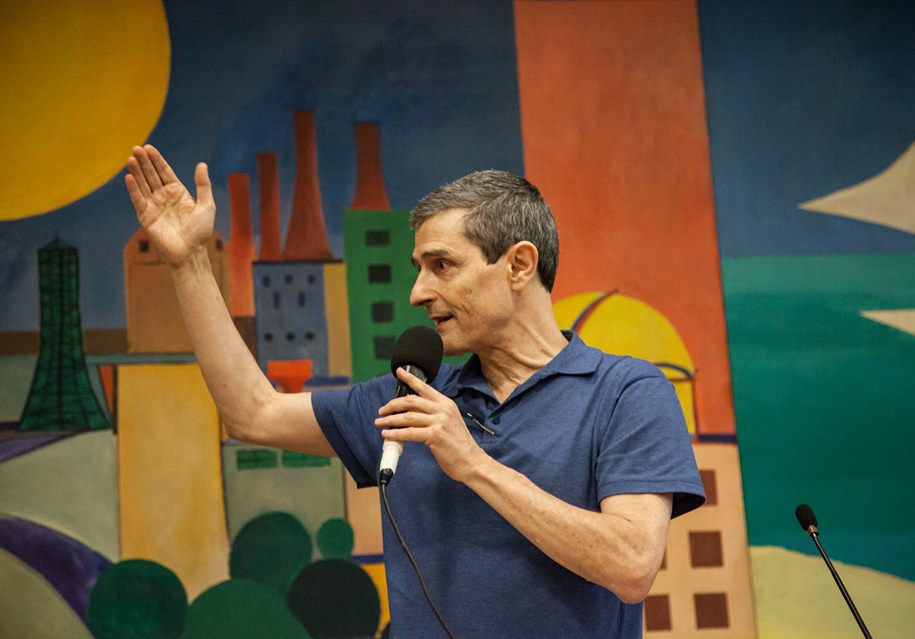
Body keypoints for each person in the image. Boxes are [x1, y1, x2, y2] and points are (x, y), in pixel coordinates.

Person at [125, 144, 705, 638]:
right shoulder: (411, 394)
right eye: (418, 268)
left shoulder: (627, 392)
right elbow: (252, 413)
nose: (418, 293)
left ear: (519, 265)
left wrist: (473, 464)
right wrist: (189, 264)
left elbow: (632, 565)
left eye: (442, 265)